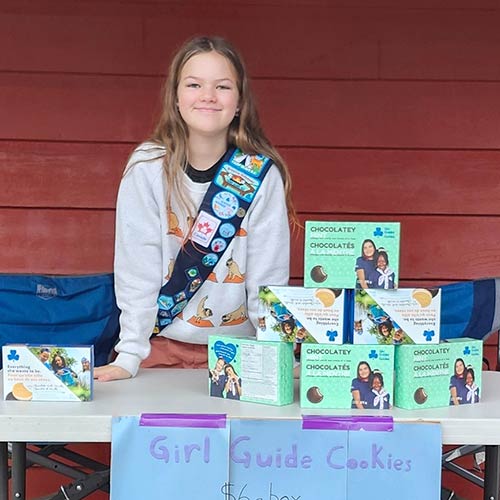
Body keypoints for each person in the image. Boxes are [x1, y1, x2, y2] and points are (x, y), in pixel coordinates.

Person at [94, 36, 295, 382]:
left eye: (222, 86)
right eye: (194, 84)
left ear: (239, 102)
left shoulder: (260, 176)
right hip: (158, 348)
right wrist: (129, 354)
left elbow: (268, 281)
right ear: (175, 97)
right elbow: (136, 268)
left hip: (240, 354)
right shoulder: (147, 169)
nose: (208, 96)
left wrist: (276, 354)